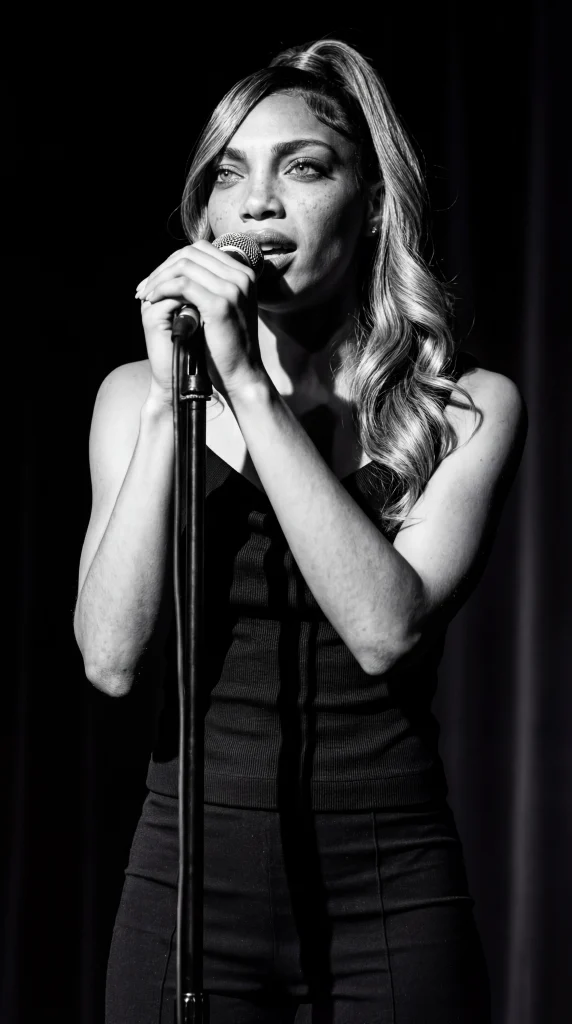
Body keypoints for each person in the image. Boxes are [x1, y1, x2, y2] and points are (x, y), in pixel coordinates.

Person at [74, 38, 525, 1024]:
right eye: (228, 176)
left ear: (369, 205)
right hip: (183, 888)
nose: (258, 204)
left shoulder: (466, 406)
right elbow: (110, 657)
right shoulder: (131, 399)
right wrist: (169, 401)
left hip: (388, 890)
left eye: (304, 168)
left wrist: (247, 383)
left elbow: (382, 629)